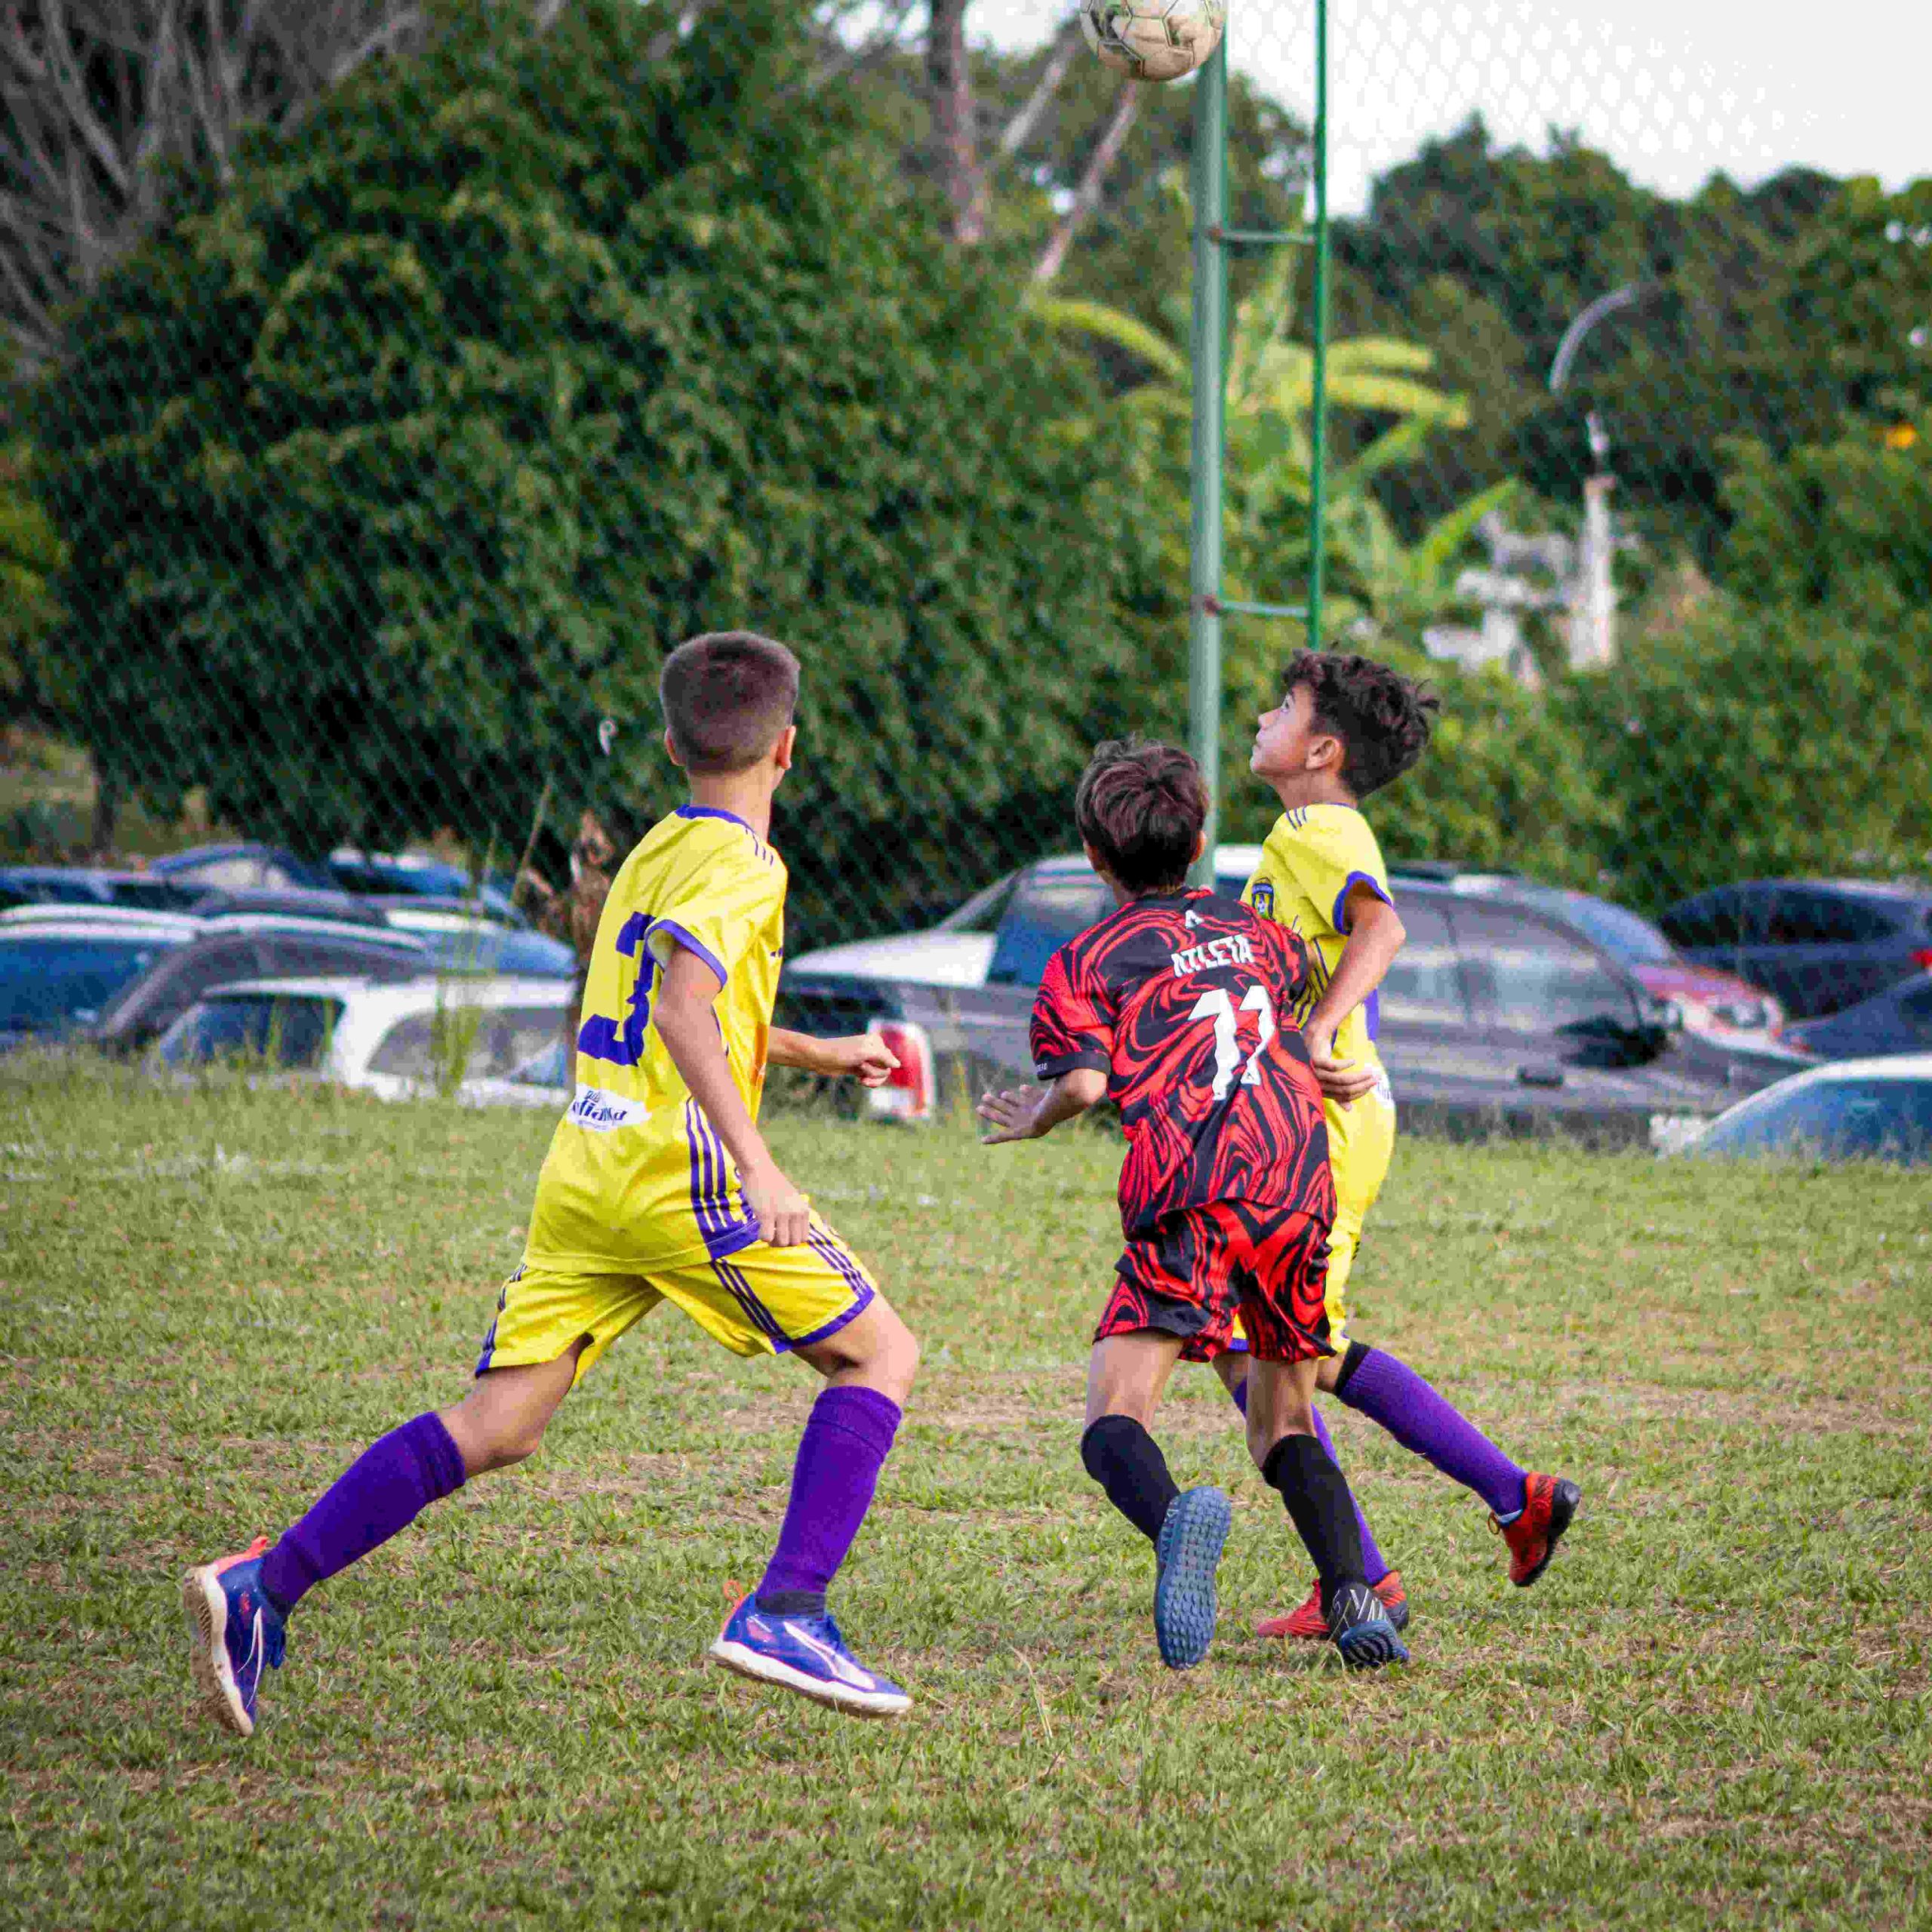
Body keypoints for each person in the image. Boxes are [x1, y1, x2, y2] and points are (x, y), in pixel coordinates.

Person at [183, 631, 923, 1732]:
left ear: (670, 745)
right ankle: (788, 1609)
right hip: (679, 1173)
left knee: (501, 1422)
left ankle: (264, 1586)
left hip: (589, 1163)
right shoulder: (747, 865)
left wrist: (814, 1052)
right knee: (880, 1354)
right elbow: (683, 1011)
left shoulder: (656, 851)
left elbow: (672, 1004)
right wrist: (759, 1165)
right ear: (788, 749)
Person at [977, 739, 1407, 1672]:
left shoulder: (1083, 961)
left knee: (1114, 1414)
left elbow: (1084, 1085)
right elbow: (1300, 984)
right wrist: (1321, 1045)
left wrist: (1034, 1118)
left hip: (1193, 1185)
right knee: (1283, 1419)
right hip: (1296, 1177)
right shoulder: (1256, 931)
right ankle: (1351, 1591)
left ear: (1093, 856)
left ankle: (1176, 1519)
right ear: (1202, 841)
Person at [1227, 650, 1580, 1642]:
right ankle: (1491, 1507)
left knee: (1271, 1358)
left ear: (1323, 750)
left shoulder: (1319, 828)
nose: (1261, 718)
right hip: (1304, 1123)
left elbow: (1381, 932)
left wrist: (1318, 1031)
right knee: (1276, 1349)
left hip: (1326, 1126)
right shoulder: (1304, 832)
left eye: (1282, 707)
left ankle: (1373, 1571)